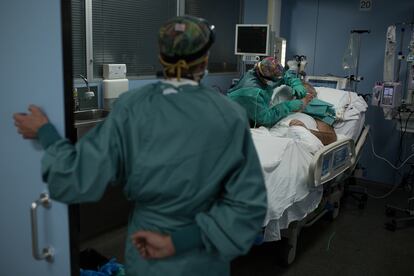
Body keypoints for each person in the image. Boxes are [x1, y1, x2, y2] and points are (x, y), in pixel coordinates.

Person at [13, 16, 267, 276]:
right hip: (203, 261)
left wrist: (46, 133)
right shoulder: (229, 115)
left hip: (147, 252)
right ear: (204, 60)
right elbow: (249, 207)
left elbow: (74, 177)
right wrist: (179, 241)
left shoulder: (132, 108)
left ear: (161, 56)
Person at [227, 56, 308, 128]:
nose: (277, 81)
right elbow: (266, 120)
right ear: (267, 80)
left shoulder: (260, 72)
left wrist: (295, 83)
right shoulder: (253, 94)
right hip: (234, 122)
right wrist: (288, 106)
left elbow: (283, 76)